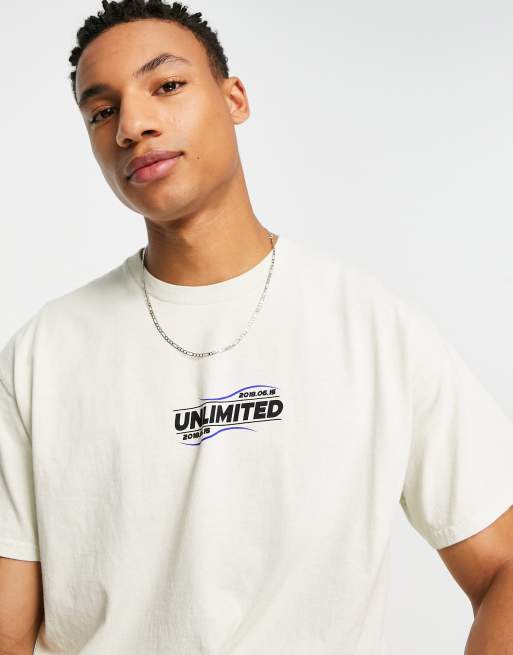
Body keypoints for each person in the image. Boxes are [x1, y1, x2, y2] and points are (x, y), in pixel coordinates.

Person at [1, 1, 512, 653]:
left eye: (167, 85)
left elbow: (503, 564)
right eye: (102, 111)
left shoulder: (372, 329)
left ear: (234, 97)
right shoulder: (43, 354)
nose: (132, 125)